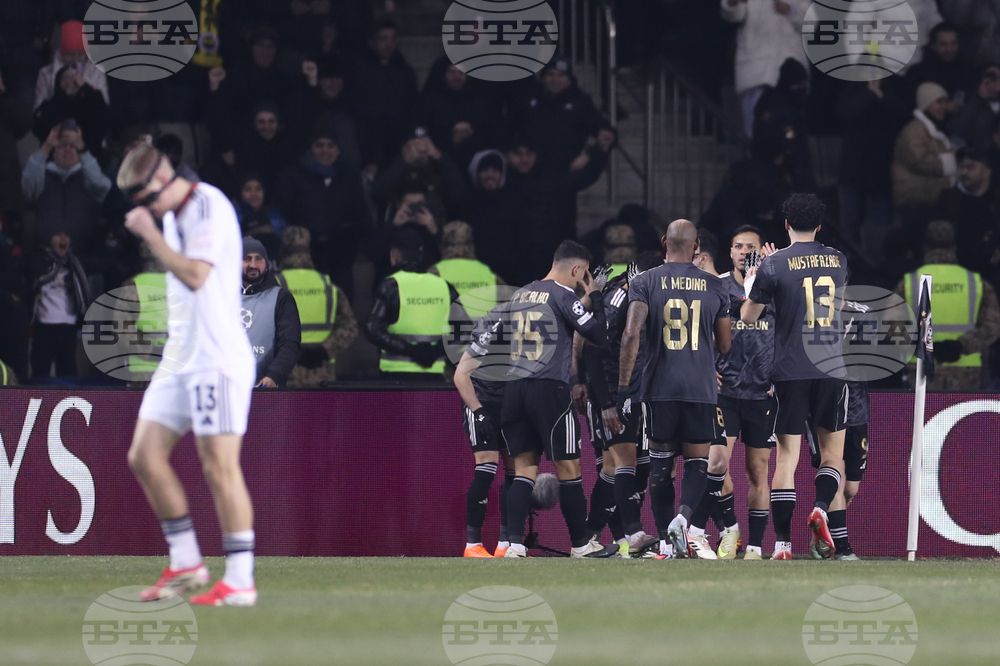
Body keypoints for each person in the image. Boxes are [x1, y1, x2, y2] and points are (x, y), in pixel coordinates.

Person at [116, 143, 258, 606]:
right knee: (143, 455)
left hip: (215, 356)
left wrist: (149, 236)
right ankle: (187, 562)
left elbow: (196, 275)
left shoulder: (207, 205)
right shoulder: (176, 216)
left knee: (219, 468)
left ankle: (239, 581)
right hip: (181, 356)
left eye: (144, 201)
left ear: (158, 182)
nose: (144, 211)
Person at [741, 193, 850, 560]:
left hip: (789, 371)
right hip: (831, 368)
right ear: (819, 225)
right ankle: (820, 506)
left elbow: (749, 316)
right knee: (832, 455)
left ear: (785, 224)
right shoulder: (838, 259)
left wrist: (752, 281)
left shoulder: (774, 265)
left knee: (787, 458)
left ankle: (783, 545)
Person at [619, 219, 732, 558]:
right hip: (700, 387)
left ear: (664, 241)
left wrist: (625, 389)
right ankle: (683, 519)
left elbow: (630, 335)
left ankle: (667, 546)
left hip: (658, 388)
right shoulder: (715, 286)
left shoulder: (644, 282)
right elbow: (725, 345)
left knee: (660, 466)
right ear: (697, 245)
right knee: (698, 462)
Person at [501, 241, 616, 559]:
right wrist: (595, 296)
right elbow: (599, 335)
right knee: (569, 468)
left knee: (523, 470)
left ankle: (512, 545)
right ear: (578, 270)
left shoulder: (522, 293)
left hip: (514, 386)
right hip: (548, 388)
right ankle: (581, 544)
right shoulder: (563, 294)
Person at [687, 226, 776, 561]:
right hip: (724, 392)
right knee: (717, 462)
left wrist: (777, 374)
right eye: (737, 246)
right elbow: (697, 331)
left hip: (761, 392)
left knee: (759, 471)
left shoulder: (774, 287)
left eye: (750, 247)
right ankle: (706, 529)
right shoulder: (717, 286)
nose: (743, 252)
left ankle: (753, 547)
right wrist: (706, 367)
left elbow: (785, 332)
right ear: (730, 252)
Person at [579, 252, 666, 557]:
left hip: (634, 390)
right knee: (622, 463)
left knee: (622, 465)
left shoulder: (639, 295)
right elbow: (591, 349)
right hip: (613, 393)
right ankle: (631, 534)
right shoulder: (619, 301)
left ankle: (595, 537)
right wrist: (606, 403)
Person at [900, 220, 1000, 391]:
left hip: (921, 369)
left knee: (921, 418)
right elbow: (993, 326)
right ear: (954, 247)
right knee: (961, 418)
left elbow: (889, 327)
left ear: (925, 247)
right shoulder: (976, 283)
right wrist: (960, 345)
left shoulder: (909, 283)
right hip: (965, 370)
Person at [275, 124, 372, 292]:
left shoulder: (350, 177)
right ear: (311, 148)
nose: (325, 150)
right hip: (305, 253)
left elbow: (363, 218)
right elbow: (281, 214)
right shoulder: (294, 175)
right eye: (319, 145)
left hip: (341, 253)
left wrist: (348, 236)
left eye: (331, 145)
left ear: (338, 149)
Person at [454, 304, 513, 557]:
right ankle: (472, 545)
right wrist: (478, 412)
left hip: (510, 405)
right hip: (482, 401)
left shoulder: (532, 330)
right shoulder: (492, 329)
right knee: (486, 468)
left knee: (516, 473)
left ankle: (505, 544)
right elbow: (460, 375)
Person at [365, 226, 458, 379]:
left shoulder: (391, 286)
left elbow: (372, 328)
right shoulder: (444, 286)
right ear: (420, 255)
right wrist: (435, 351)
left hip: (396, 375)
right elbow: (464, 330)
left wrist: (410, 350)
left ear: (395, 255)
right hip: (435, 373)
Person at [280, 226, 358, 388]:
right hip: (322, 376)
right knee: (320, 414)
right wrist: (324, 350)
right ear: (309, 250)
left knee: (285, 415)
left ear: (283, 250)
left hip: (285, 376)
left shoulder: (274, 286)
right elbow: (350, 328)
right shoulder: (328, 286)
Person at [720, 0, 809, 138]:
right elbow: (734, 15)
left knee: (791, 131)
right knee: (757, 131)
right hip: (756, 68)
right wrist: (733, 3)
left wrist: (790, 11)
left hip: (792, 69)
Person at [21, 123, 112, 258]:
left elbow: (102, 186)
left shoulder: (90, 176)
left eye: (73, 146)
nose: (68, 150)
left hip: (86, 257)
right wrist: (47, 146)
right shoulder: (42, 175)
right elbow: (27, 188)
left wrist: (82, 148)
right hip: (44, 255)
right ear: (54, 151)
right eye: (63, 146)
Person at [241, 236, 301, 388]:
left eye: (258, 259)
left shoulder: (281, 297)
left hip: (266, 392)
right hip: (228, 390)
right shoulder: (221, 297)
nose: (253, 265)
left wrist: (274, 376)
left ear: (266, 264)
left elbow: (289, 344)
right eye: (247, 259)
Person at [892, 82, 957, 221]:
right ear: (926, 104)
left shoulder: (933, 130)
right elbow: (920, 162)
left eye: (945, 102)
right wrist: (952, 161)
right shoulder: (913, 131)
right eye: (939, 102)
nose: (944, 107)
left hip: (927, 196)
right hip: (913, 200)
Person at [30, 231, 90, 380]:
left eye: (66, 235)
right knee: (40, 374)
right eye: (58, 235)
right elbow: (32, 285)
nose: (63, 239)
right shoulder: (39, 260)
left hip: (68, 326)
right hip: (44, 326)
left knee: (68, 375)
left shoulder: (75, 263)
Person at [431, 221, 502, 320]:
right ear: (471, 245)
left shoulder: (435, 273)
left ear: (441, 246)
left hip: (451, 333)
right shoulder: (488, 273)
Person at [34, 21, 109, 110]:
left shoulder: (98, 71)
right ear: (61, 53)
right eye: (70, 55)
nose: (75, 59)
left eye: (80, 54)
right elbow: (38, 111)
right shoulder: (45, 74)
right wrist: (61, 91)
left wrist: (86, 89)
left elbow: (104, 107)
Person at [950, 63, 1000, 150]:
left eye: (995, 77)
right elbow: (959, 131)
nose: (992, 81)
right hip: (975, 153)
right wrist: (980, 99)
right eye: (989, 76)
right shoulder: (970, 100)